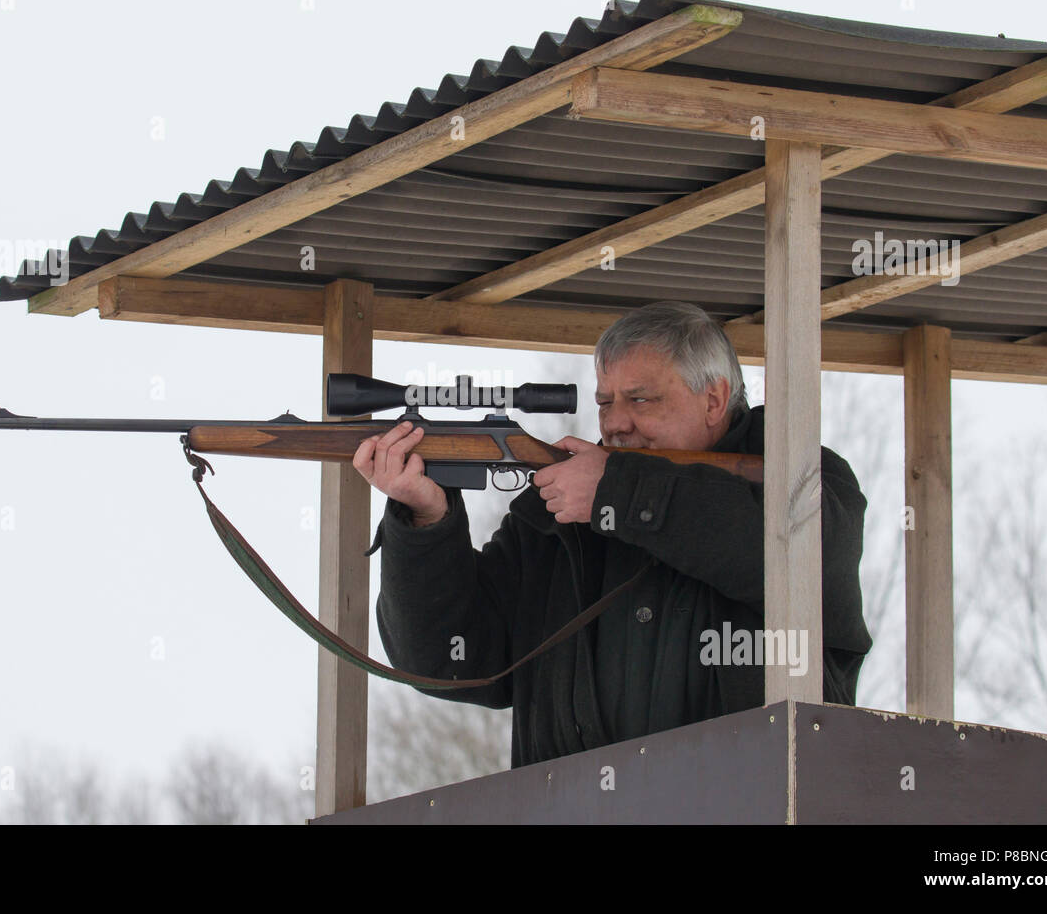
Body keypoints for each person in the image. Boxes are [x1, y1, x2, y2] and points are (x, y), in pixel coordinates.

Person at [353, 301, 873, 768]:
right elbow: (447, 660)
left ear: (714, 400)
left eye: (641, 400)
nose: (616, 423)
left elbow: (800, 562)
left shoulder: (799, 476)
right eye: (605, 403)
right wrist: (424, 520)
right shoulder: (556, 512)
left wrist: (620, 496)